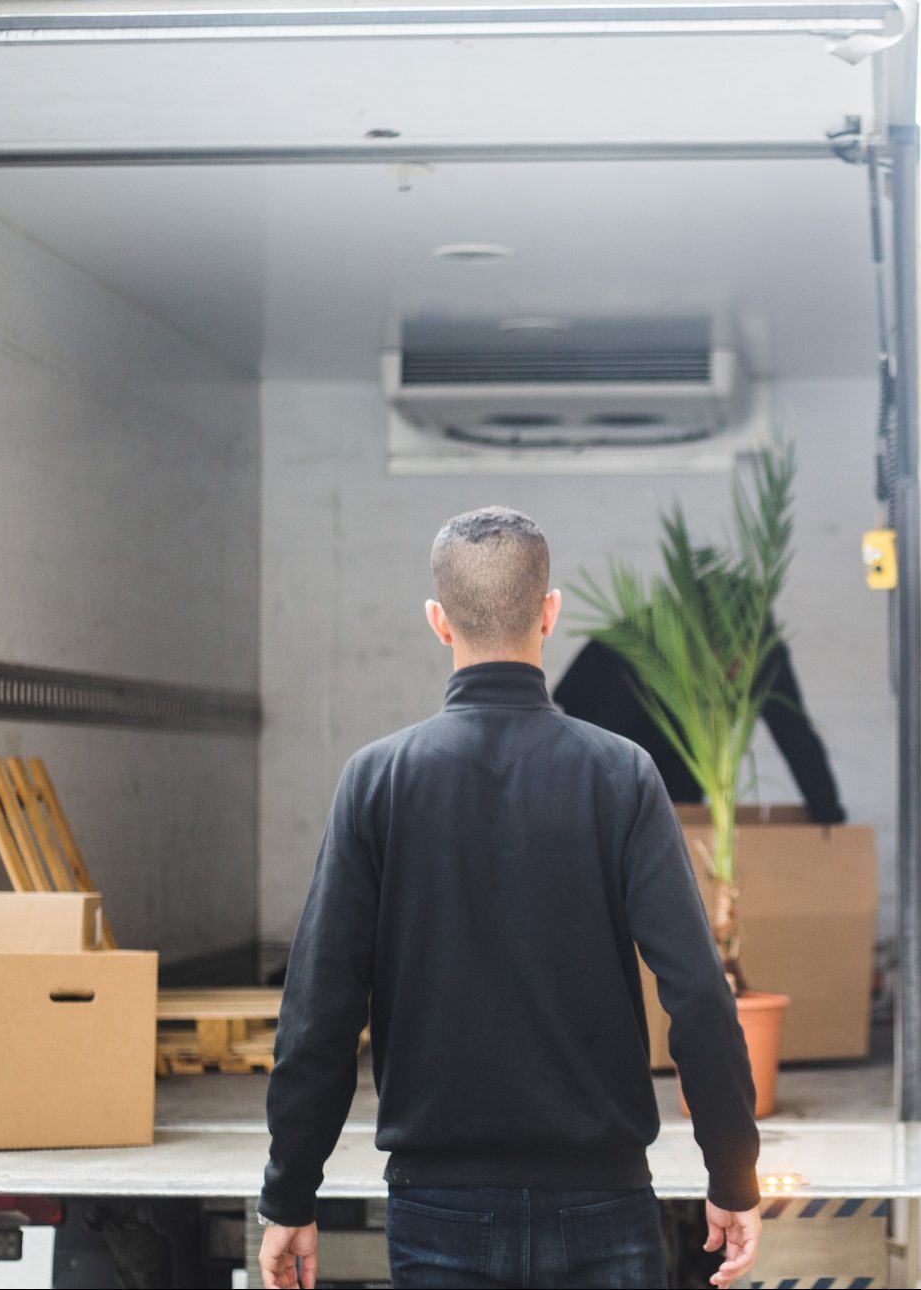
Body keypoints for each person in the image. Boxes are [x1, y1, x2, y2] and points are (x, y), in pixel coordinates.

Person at [257, 507, 762, 1290]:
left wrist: (290, 1192)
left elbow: (319, 1008)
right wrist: (732, 1177)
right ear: (549, 612)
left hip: (439, 1206)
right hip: (604, 1197)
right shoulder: (621, 774)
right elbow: (698, 992)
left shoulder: (378, 779)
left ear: (438, 622)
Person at [555, 630, 846, 825]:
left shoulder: (763, 652)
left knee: (681, 804)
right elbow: (603, 749)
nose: (734, 671)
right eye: (726, 658)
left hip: (677, 751)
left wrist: (829, 818)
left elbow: (796, 737)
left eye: (741, 663)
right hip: (603, 715)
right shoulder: (645, 650)